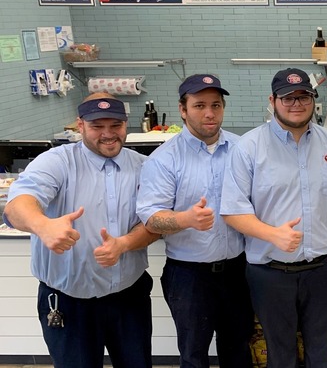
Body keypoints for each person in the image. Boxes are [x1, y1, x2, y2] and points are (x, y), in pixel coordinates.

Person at [3, 93, 159, 368]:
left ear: (126, 123)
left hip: (129, 298)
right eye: (98, 126)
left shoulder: (143, 166)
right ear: (80, 125)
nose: (108, 134)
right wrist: (43, 226)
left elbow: (153, 225)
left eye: (116, 125)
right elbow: (18, 205)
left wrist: (124, 243)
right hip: (69, 302)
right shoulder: (57, 162)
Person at [221, 68, 327, 368]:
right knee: (280, 356)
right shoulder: (248, 147)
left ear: (313, 99)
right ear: (272, 100)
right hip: (270, 273)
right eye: (287, 97)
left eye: (303, 96)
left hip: (322, 271)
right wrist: (272, 234)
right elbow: (232, 210)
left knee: (322, 355)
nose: (296, 103)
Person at [136, 74, 254, 368]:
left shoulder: (244, 149)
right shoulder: (164, 159)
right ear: (183, 109)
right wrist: (185, 219)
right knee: (193, 354)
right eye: (199, 105)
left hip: (238, 271)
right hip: (189, 276)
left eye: (216, 105)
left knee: (238, 348)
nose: (209, 113)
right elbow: (151, 219)